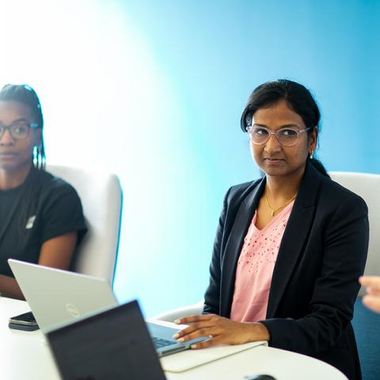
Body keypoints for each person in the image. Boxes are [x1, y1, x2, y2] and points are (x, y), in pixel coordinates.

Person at [173, 80, 369, 380]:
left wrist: (251, 332)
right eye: (260, 131)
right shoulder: (236, 200)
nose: (272, 146)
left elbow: (329, 322)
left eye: (288, 133)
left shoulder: (343, 209)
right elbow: (214, 303)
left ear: (312, 138)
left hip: (301, 364)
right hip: (233, 359)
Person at [0, 84, 87, 300]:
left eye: (19, 129)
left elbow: (48, 292)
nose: (6, 139)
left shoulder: (59, 198)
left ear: (37, 135)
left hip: (20, 324)